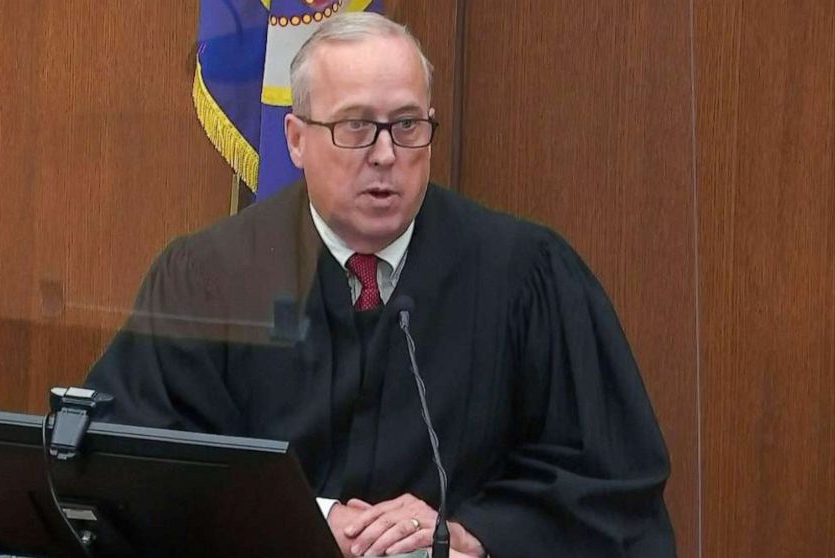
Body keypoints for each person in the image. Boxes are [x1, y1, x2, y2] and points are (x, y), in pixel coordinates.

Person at [86, 12, 676, 558]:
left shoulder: (525, 274)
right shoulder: (211, 278)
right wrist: (309, 517)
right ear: (295, 139)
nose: (386, 154)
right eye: (356, 126)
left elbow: (608, 480)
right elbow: (134, 461)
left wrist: (474, 534)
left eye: (407, 125)